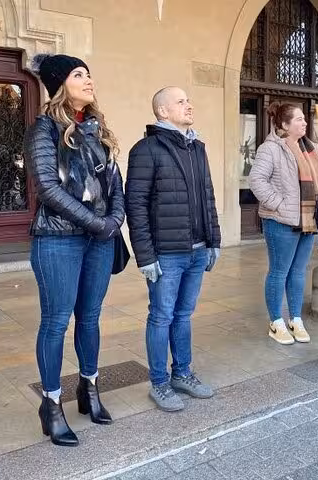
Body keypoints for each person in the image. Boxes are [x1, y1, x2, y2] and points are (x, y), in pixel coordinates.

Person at [25, 54, 125, 446]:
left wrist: (114, 220)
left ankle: (89, 389)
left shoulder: (98, 130)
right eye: (78, 74)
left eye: (89, 73)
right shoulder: (44, 130)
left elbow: (115, 183)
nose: (89, 80)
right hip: (58, 240)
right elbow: (48, 189)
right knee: (55, 322)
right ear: (59, 84)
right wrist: (99, 223)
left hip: (99, 239)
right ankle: (51, 404)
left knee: (91, 318)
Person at [125, 86, 221, 412]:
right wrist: (145, 256)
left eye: (188, 100)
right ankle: (159, 382)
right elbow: (135, 205)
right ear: (163, 111)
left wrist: (214, 241)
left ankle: (182, 373)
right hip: (166, 253)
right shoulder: (146, 150)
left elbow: (208, 197)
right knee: (162, 316)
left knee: (183, 315)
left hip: (196, 250)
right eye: (181, 101)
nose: (189, 105)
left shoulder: (198, 148)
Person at [249, 103, 318, 345]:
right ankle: (276, 322)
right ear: (284, 124)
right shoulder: (270, 149)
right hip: (281, 221)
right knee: (279, 272)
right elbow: (256, 180)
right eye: (299, 119)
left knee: (298, 272)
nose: (305, 123)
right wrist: (279, 204)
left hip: (307, 220)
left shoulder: (309, 148)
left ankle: (295, 318)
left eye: (305, 119)